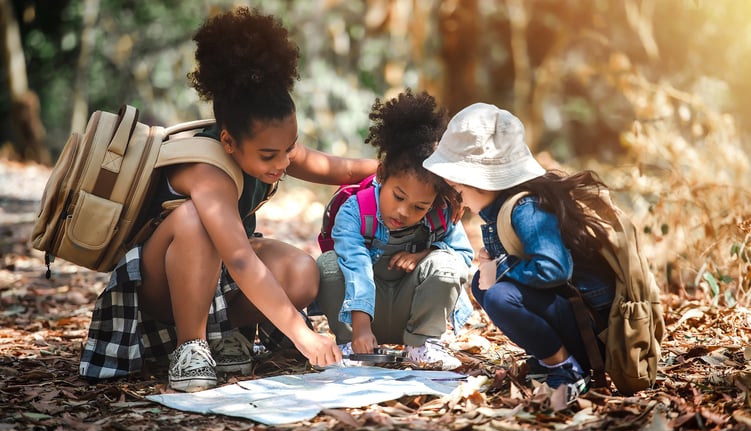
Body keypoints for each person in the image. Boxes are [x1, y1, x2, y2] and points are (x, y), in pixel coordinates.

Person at [79, 6, 378, 392]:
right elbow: (239, 260)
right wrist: (303, 336)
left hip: (219, 281)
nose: (283, 163)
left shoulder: (273, 148)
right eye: (269, 156)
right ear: (228, 142)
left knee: (304, 272)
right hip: (160, 289)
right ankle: (191, 347)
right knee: (196, 222)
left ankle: (225, 335)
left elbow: (341, 168)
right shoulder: (208, 171)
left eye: (289, 149)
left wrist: (409, 169)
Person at [422, 103, 618, 399]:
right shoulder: (501, 208)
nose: (458, 199)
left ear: (482, 179)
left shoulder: (527, 209)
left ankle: (566, 368)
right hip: (572, 319)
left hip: (593, 334)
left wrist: (499, 270)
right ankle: (549, 356)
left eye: (459, 190)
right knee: (483, 285)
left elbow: (554, 268)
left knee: (499, 294)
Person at [316, 90, 474, 371]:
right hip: (360, 315)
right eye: (398, 197)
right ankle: (349, 345)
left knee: (447, 265)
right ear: (381, 175)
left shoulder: (442, 214)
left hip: (408, 311)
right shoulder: (354, 211)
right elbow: (355, 265)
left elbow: (463, 257)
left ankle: (422, 344)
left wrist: (426, 253)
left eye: (419, 207)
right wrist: (360, 328)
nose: (404, 212)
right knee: (329, 265)